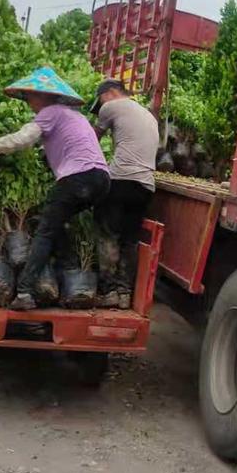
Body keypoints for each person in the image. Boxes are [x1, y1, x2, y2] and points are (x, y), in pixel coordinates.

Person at [0, 66, 110, 311]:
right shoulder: (74, 116)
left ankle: (25, 292)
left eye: (29, 96)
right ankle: (68, 267)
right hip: (101, 179)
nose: (28, 101)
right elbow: (63, 144)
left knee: (45, 231)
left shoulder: (49, 113)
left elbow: (21, 139)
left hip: (77, 178)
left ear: (43, 96)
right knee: (58, 222)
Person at [91, 80, 159, 309]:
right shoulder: (148, 115)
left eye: (99, 101)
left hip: (121, 181)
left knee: (108, 233)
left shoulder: (111, 107)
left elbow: (90, 140)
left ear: (109, 93)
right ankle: (124, 293)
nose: (100, 107)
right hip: (145, 186)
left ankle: (108, 290)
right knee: (129, 240)